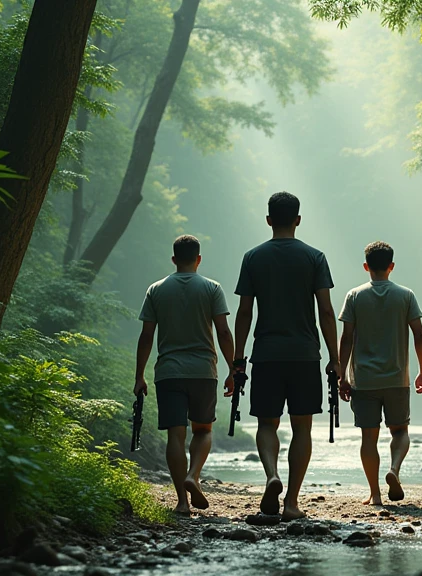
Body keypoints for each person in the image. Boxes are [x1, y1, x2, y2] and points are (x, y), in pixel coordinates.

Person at [233, 191, 339, 520]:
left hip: (265, 354)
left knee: (267, 423)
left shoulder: (253, 258)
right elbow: (325, 310)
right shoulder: (314, 257)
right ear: (298, 219)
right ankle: (291, 502)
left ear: (268, 220)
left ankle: (271, 476)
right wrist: (335, 358)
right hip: (305, 354)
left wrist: (239, 358)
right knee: (302, 429)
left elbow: (244, 312)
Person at [135, 235, 234, 515]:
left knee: (175, 437)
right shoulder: (212, 288)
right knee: (203, 430)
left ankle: (181, 501)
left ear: (174, 259)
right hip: (203, 371)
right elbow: (224, 332)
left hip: (168, 372)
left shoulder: (156, 290)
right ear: (199, 259)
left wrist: (139, 375)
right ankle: (194, 474)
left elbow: (146, 337)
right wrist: (233, 369)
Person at [336, 241, 422, 506]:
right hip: (397, 378)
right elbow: (419, 334)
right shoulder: (406, 295)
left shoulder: (354, 296)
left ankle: (375, 494)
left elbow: (347, 338)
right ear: (391, 266)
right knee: (399, 431)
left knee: (369, 436)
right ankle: (395, 469)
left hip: (364, 380)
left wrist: (343, 376)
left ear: (366, 266)